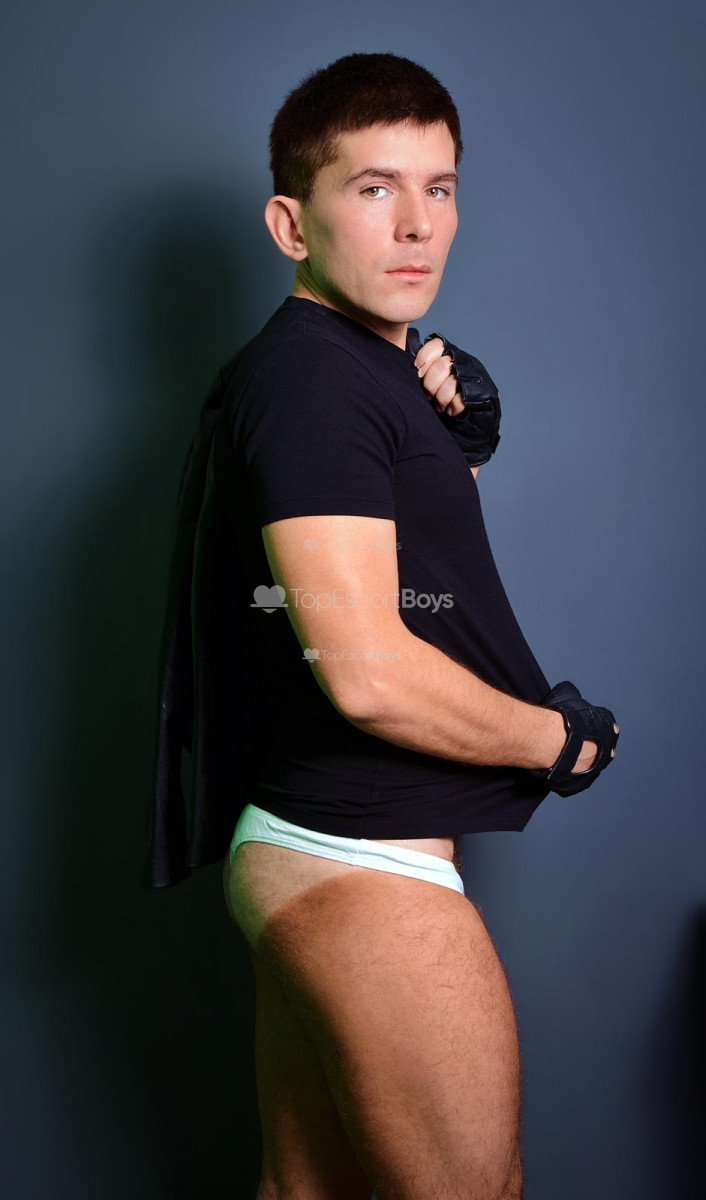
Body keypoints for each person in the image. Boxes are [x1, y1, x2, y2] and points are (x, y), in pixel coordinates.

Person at [161, 51, 619, 1200]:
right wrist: (554, 740)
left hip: (313, 848)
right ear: (290, 223)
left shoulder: (351, 371)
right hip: (357, 855)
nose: (417, 224)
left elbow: (406, 567)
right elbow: (363, 666)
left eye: (439, 187)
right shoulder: (314, 383)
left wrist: (459, 437)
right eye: (374, 187)